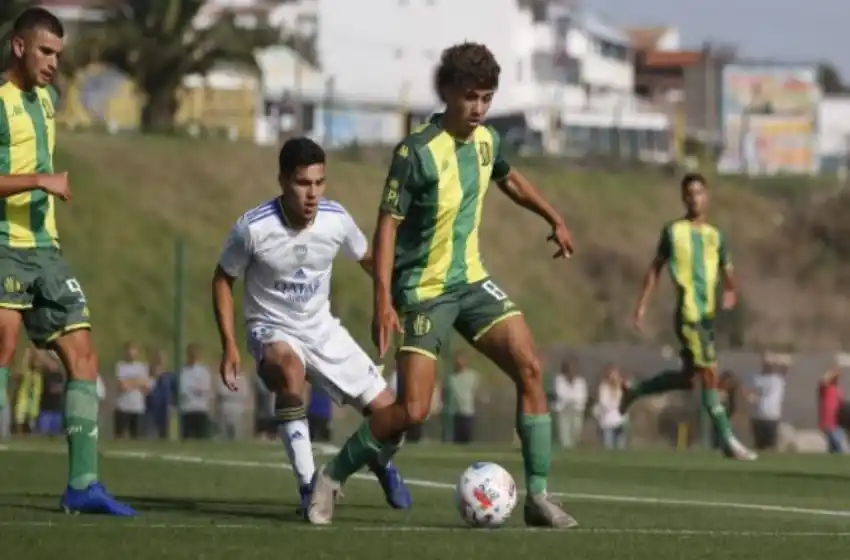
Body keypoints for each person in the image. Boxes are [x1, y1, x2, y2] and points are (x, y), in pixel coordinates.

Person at [308, 42, 578, 528]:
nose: (478, 108)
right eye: (471, 96)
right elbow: (386, 225)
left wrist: (553, 216)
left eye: (487, 98)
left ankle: (537, 496)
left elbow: (510, 179)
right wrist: (383, 301)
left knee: (530, 368)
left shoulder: (486, 141)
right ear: (450, 92)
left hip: (472, 282)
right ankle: (330, 477)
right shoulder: (415, 152)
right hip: (423, 291)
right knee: (412, 410)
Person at [212, 136, 411, 516]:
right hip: (271, 328)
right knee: (291, 373)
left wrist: (388, 301)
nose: (312, 194)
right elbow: (222, 279)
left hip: (322, 328)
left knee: (393, 416)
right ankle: (309, 487)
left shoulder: (336, 219)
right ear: (283, 181)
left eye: (319, 183)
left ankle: (382, 465)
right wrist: (230, 344)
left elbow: (369, 258)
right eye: (303, 183)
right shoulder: (253, 228)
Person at [0, 8, 133, 515]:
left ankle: (83, 484)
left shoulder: (49, 101)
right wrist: (41, 180)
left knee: (84, 356)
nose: (54, 63)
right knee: (5, 342)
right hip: (3, 244)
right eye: (45, 52)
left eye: (59, 54)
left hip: (46, 250)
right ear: (19, 47)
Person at [621, 173, 756, 461]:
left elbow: (728, 272)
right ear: (683, 198)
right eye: (689, 193)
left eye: (699, 192)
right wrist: (641, 305)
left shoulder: (716, 236)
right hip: (688, 316)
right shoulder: (673, 232)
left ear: (707, 196)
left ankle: (636, 389)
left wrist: (731, 291)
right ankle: (728, 441)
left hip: (708, 317)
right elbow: (655, 268)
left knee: (688, 379)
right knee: (710, 375)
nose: (694, 198)